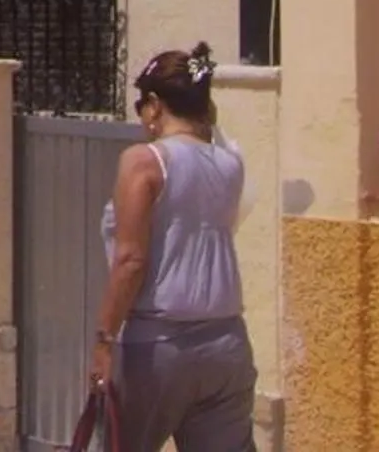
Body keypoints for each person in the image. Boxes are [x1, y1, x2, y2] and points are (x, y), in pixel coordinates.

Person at [91, 42, 256, 452]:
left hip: (160, 345)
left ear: (154, 105)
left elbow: (130, 260)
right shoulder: (230, 164)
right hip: (228, 343)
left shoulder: (144, 162)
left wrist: (103, 339)